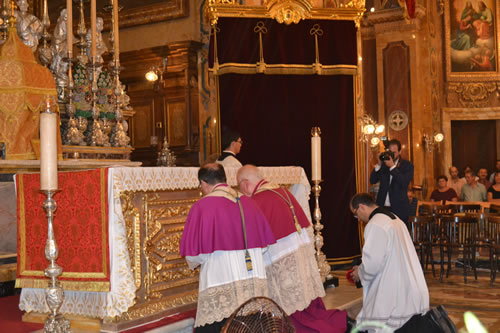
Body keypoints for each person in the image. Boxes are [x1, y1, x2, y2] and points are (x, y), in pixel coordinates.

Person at [237, 165, 347, 333]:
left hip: (280, 263)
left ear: (245, 184)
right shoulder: (283, 191)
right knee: (303, 303)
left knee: (289, 311)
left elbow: (256, 246)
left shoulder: (258, 201)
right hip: (299, 256)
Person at [180, 163, 276, 332]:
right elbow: (263, 246)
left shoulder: (202, 206)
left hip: (220, 277)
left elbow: (194, 255)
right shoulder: (248, 201)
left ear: (203, 183)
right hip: (251, 277)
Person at [349, 193, 457, 333]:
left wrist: (359, 272)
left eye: (355, 214)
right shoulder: (395, 218)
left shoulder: (375, 224)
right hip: (409, 283)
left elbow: (372, 264)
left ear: (361, 207)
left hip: (393, 290)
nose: (358, 219)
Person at [369, 139, 414, 225]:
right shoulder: (383, 164)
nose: (391, 155)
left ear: (400, 151)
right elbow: (372, 180)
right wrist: (378, 164)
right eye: (390, 152)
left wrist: (392, 167)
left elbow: (404, 182)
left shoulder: (407, 165)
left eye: (394, 152)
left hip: (399, 207)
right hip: (382, 206)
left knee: (398, 235)